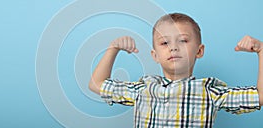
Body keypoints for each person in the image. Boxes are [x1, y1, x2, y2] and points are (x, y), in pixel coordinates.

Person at [88, 13, 263, 128]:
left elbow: (259, 97)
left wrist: (261, 51)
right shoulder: (144, 88)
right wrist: (113, 48)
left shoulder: (210, 90)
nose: (173, 48)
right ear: (155, 55)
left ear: (199, 51)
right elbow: (96, 84)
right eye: (165, 43)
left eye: (183, 41)